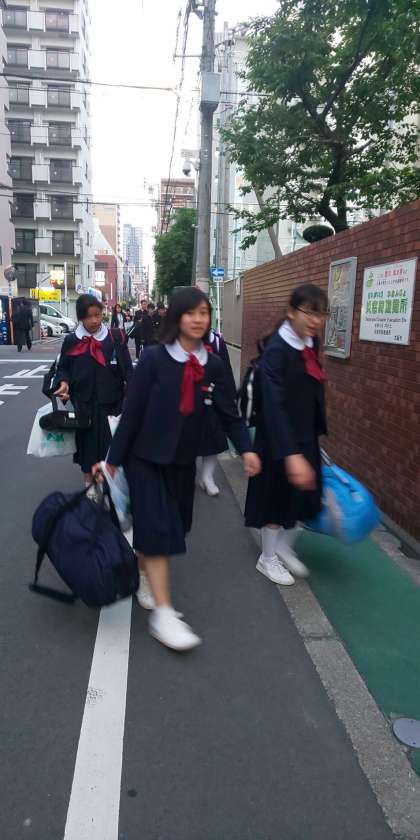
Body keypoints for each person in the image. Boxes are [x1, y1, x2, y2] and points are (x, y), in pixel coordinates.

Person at [96, 287, 260, 652]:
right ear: (177, 317)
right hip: (145, 458)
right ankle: (164, 614)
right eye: (191, 312)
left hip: (183, 463)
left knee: (175, 528)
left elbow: (229, 413)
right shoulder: (154, 359)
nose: (198, 319)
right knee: (158, 529)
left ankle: (143, 571)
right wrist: (112, 461)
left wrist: (247, 450)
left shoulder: (213, 365)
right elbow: (132, 413)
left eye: (204, 312)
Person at [245, 283, 328, 586]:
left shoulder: (310, 341)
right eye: (310, 312)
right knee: (275, 499)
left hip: (304, 433)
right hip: (276, 439)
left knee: (306, 497)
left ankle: (283, 547)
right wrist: (291, 454)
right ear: (292, 312)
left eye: (321, 314)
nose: (316, 320)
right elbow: (273, 407)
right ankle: (267, 558)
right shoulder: (276, 352)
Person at [52, 293, 132, 485]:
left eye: (97, 315)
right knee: (86, 450)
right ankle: (89, 487)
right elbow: (63, 367)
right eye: (89, 317)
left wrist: (133, 397)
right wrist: (63, 382)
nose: (95, 320)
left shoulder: (114, 337)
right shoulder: (72, 341)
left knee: (110, 449)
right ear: (81, 318)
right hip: (83, 405)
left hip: (112, 404)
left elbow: (128, 370)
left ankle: (107, 487)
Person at [197, 328, 237, 496]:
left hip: (214, 399)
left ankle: (207, 477)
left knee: (213, 438)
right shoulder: (180, 341)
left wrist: (231, 395)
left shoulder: (217, 342)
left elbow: (226, 370)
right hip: (189, 399)